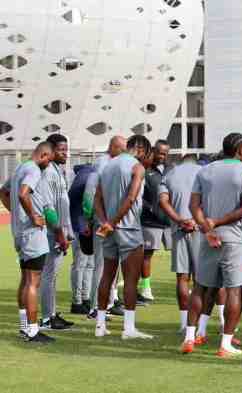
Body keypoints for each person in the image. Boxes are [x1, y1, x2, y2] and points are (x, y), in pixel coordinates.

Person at [183, 134, 242, 358]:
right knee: (234, 290)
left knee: (200, 287)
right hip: (236, 238)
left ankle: (190, 337)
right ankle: (226, 343)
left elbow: (193, 205)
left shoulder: (205, 170)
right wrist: (218, 222)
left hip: (208, 238)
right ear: (241, 150)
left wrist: (207, 227)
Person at [93, 135, 153, 340]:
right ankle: (128, 328)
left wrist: (104, 222)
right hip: (128, 228)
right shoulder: (137, 167)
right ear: (140, 149)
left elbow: (97, 198)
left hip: (109, 229)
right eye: (145, 152)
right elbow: (131, 197)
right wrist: (114, 221)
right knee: (130, 279)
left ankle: (100, 325)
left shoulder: (108, 165)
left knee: (107, 276)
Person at [0, 142, 55, 343]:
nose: (49, 163)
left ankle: (25, 327)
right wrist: (32, 216)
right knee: (33, 281)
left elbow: (3, 192)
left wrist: (17, 214)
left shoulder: (20, 168)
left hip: (20, 233)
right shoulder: (33, 170)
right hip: (32, 234)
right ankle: (32, 330)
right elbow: (23, 193)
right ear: (44, 154)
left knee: (25, 280)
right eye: (49, 159)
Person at [84, 136, 127, 319]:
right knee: (101, 265)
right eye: (122, 149)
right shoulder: (103, 165)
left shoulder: (112, 164)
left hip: (111, 222)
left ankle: (107, 303)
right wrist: (91, 219)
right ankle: (95, 307)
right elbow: (90, 192)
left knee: (110, 265)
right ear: (113, 148)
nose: (125, 153)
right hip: (103, 223)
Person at [158, 154, 202, 333]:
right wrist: (196, 220)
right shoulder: (203, 172)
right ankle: (203, 323)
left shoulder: (169, 175)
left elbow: (163, 202)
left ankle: (184, 324)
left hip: (179, 230)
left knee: (182, 277)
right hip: (201, 229)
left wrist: (180, 220)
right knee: (204, 279)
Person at [40, 134, 74, 330]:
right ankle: (46, 318)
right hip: (52, 233)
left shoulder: (57, 171)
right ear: (51, 150)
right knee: (48, 274)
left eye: (66, 150)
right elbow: (49, 207)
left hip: (59, 232)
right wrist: (60, 234)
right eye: (62, 150)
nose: (66, 153)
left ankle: (51, 313)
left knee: (52, 275)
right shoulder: (48, 173)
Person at [139, 140, 171, 302]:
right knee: (147, 255)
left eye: (165, 154)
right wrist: (149, 207)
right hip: (151, 221)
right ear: (154, 151)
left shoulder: (171, 170)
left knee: (184, 252)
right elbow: (137, 194)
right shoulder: (144, 170)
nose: (162, 156)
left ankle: (191, 286)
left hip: (171, 221)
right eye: (159, 153)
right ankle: (146, 288)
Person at [68, 162, 95, 315]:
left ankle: (85, 298)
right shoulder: (89, 174)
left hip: (84, 224)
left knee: (88, 263)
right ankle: (77, 301)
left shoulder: (84, 174)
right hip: (82, 226)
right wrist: (85, 221)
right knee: (81, 263)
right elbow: (85, 199)